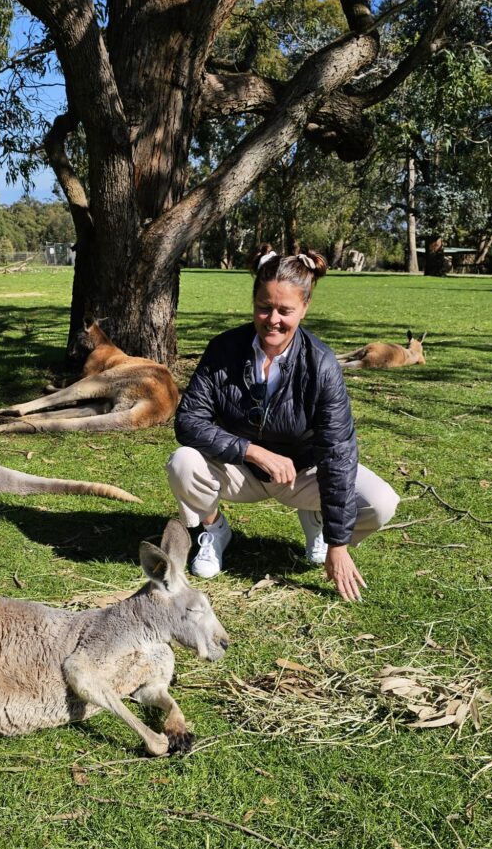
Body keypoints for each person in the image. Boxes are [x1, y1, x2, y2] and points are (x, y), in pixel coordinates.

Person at [166, 248, 400, 602]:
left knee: (381, 502)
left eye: (285, 311)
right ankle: (213, 530)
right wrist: (251, 450)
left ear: (304, 308)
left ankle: (317, 521)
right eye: (264, 306)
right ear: (254, 301)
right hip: (240, 471)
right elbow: (188, 421)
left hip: (302, 476)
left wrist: (339, 543)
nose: (272, 319)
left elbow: (338, 453)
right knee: (182, 462)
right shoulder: (224, 349)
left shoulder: (321, 364)